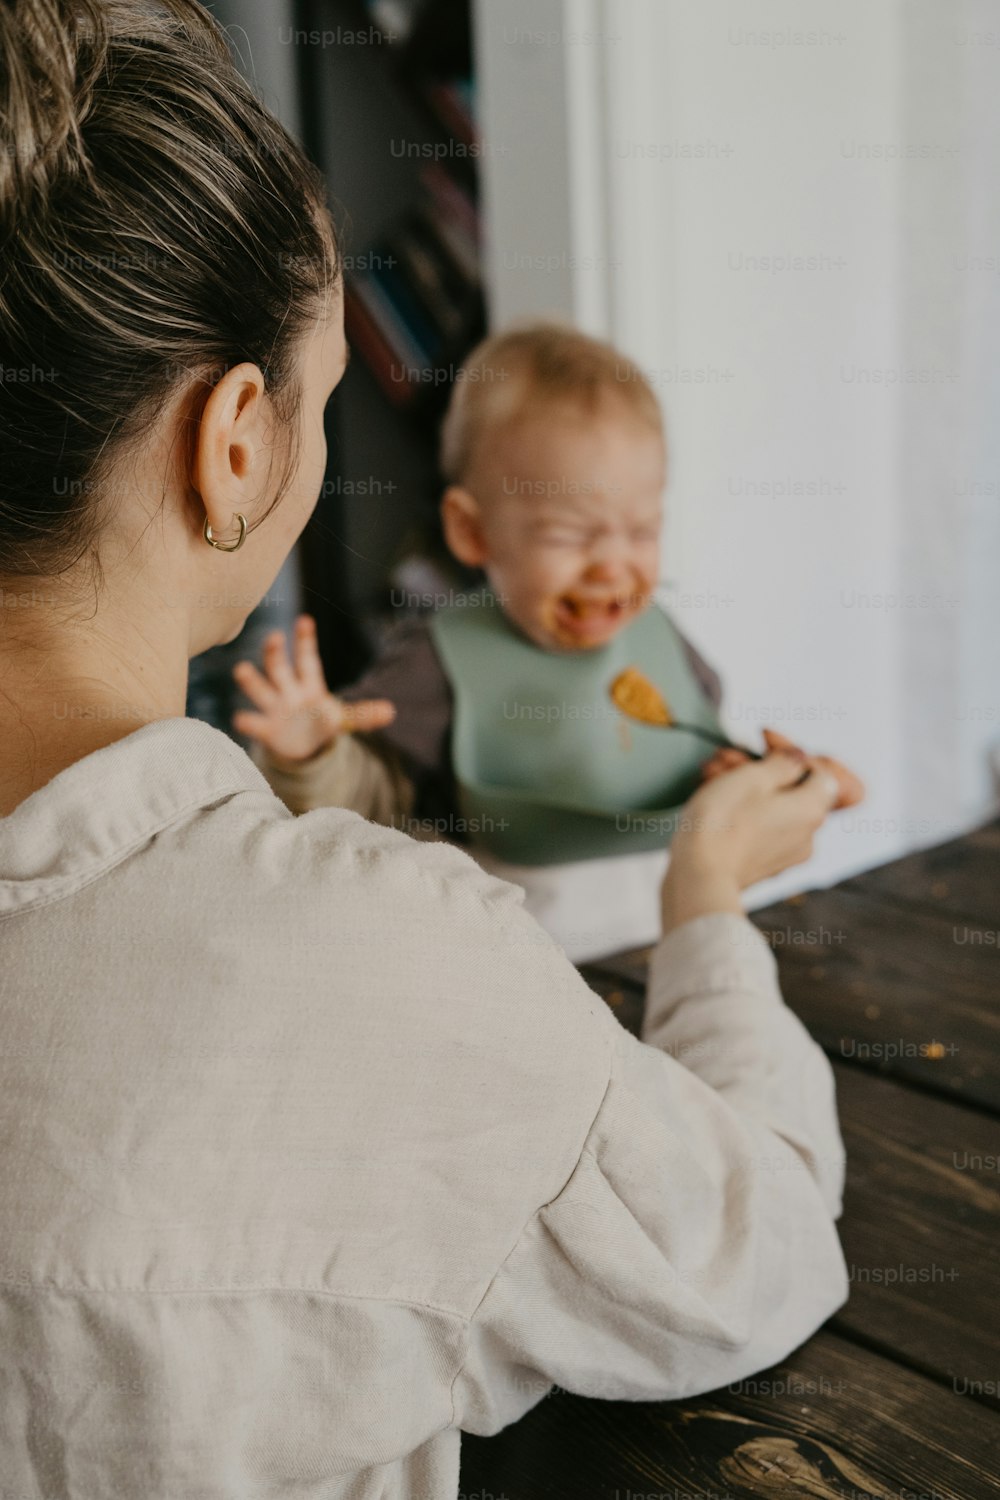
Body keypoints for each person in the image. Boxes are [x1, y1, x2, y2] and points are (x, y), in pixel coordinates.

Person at [0, 2, 847, 1497]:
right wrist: (710, 903)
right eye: (324, 395)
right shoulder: (371, 957)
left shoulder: (656, 676)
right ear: (237, 441)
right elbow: (751, 1244)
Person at [238, 323, 862, 961]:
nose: (612, 566)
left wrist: (753, 783)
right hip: (517, 981)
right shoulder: (439, 664)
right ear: (473, 533)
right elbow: (366, 811)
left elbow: (692, 767)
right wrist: (309, 757)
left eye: (642, 531)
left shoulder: (660, 640)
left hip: (677, 956)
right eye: (571, 537)